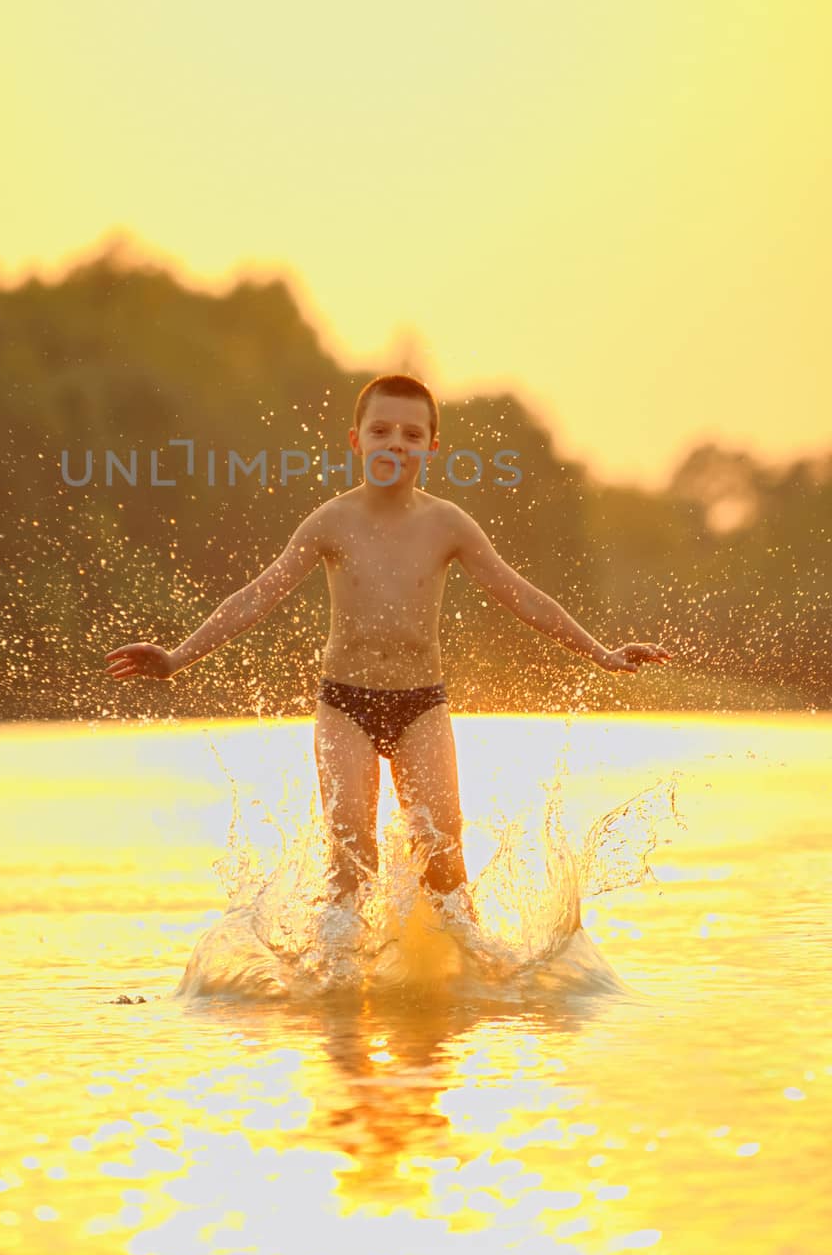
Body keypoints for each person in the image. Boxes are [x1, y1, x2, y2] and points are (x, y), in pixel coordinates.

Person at [105, 374, 671, 927]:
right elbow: (258, 596)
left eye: (410, 434)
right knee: (351, 863)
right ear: (357, 440)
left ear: (431, 447)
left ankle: (455, 987)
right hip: (344, 706)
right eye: (380, 431)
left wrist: (601, 653)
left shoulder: (447, 524)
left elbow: (521, 595)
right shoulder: (331, 522)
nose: (395, 443)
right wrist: (178, 657)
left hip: (421, 707)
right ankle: (340, 991)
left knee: (445, 865)